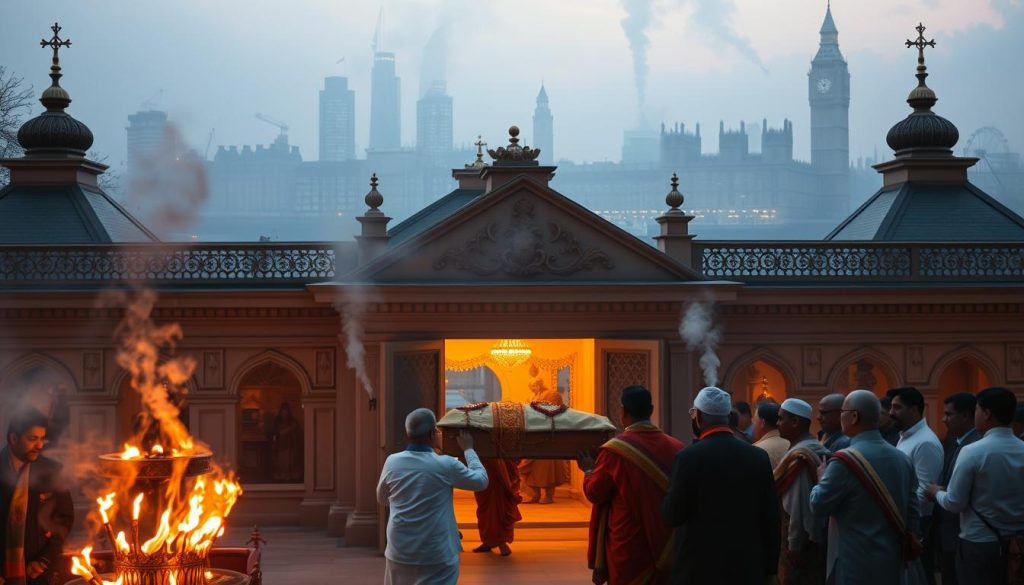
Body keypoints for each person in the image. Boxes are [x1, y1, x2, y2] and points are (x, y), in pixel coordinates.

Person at [663, 387, 780, 585]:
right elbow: (770, 518)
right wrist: (770, 568)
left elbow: (672, 514)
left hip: (698, 569)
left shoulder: (688, 458)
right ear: (728, 416)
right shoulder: (757, 456)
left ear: (698, 416)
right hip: (746, 568)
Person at [809, 390, 919, 585]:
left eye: (843, 411)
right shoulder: (902, 459)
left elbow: (818, 505)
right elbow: (912, 514)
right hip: (893, 562)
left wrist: (821, 478)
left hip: (855, 561)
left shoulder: (844, 460)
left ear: (854, 416)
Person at [579, 385, 683, 585]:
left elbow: (595, 492)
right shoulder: (676, 447)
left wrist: (589, 470)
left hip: (629, 544)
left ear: (623, 411)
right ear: (651, 410)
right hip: (667, 542)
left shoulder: (614, 451)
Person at [376, 408, 489, 585]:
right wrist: (468, 450)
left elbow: (382, 499)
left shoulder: (392, 461)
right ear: (432, 433)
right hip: (436, 553)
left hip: (399, 549)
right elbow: (481, 481)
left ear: (408, 433)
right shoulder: (446, 464)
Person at [926, 387, 1024, 585]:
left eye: (977, 410)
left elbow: (954, 503)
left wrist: (936, 492)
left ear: (987, 414)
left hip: (978, 542)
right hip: (1017, 543)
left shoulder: (973, 451)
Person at [0, 409, 74, 585]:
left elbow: (64, 520)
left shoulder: (52, 471)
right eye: (32, 439)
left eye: (42, 438)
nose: (40, 445)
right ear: (13, 438)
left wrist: (44, 560)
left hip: (40, 572)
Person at [890, 386, 943, 585]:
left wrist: (900, 515)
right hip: (906, 520)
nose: (891, 413)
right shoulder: (907, 438)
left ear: (914, 410)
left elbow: (925, 490)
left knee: (920, 576)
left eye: (897, 407)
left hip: (918, 522)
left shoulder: (925, 443)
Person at [774, 398, 830, 585]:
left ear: (796, 422)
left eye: (781, 419)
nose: (777, 423)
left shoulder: (801, 457)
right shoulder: (814, 447)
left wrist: (794, 546)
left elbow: (797, 508)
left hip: (800, 547)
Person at [934, 393, 981, 585]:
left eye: (949, 414)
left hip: (963, 531)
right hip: (951, 532)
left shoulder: (973, 446)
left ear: (966, 416)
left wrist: (935, 492)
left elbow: (956, 499)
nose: (944, 420)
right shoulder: (957, 442)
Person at [519, 378, 569, 504]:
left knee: (547, 469)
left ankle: (548, 496)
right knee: (529, 468)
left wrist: (536, 409)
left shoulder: (552, 394)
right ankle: (534, 495)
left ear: (541, 384)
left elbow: (555, 411)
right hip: (534, 433)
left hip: (548, 434)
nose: (533, 388)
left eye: (534, 385)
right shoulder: (532, 395)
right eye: (531, 386)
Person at [472, 457, 522, 556]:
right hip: (486, 469)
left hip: (498, 470)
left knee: (496, 508)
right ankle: (488, 541)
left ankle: (500, 542)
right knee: (486, 509)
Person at [753, 401, 790, 470]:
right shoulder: (791, 444)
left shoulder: (756, 450)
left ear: (762, 423)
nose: (753, 424)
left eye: (755, 420)